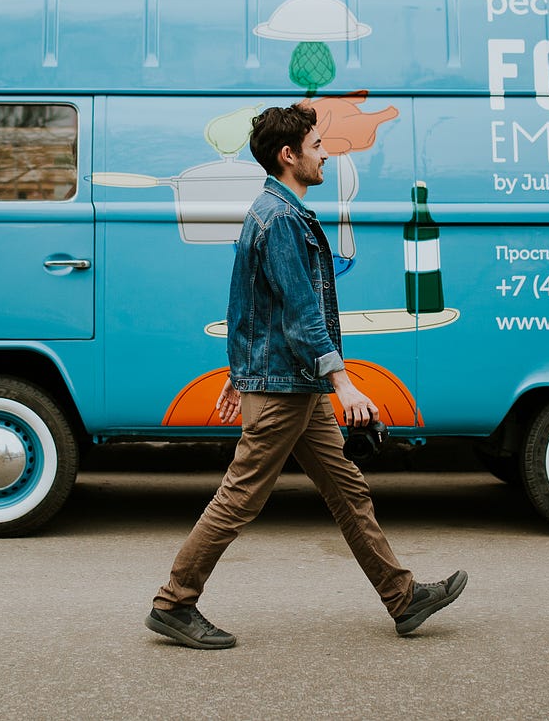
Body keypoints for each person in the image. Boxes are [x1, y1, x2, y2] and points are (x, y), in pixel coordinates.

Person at [145, 102, 467, 650]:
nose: (325, 155)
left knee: (348, 489)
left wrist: (237, 370)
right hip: (286, 388)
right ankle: (174, 603)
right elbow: (298, 310)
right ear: (288, 155)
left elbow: (250, 301)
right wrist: (343, 381)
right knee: (239, 497)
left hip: (291, 381)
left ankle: (403, 596)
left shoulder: (277, 213)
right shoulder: (281, 219)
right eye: (317, 147)